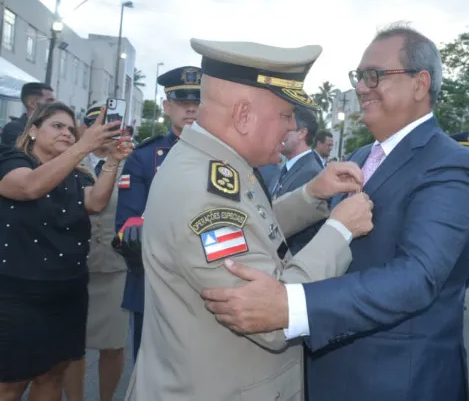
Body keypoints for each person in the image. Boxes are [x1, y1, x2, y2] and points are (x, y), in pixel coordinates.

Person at [201, 24, 469, 401]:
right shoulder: (361, 157)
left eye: (375, 76)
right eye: (360, 77)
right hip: (332, 371)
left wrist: (292, 305)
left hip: (398, 381)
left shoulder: (450, 163)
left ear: (420, 83)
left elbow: (418, 276)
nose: (362, 88)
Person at [124, 38, 374, 401]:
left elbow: (252, 230)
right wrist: (340, 230)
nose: (290, 130)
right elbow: (270, 313)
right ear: (243, 116)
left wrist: (310, 194)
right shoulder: (205, 193)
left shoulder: (217, 165)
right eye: (285, 116)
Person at [0, 102, 131, 400]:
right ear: (33, 130)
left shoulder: (76, 174)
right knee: (10, 383)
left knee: (51, 377)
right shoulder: (11, 159)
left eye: (71, 130)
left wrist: (111, 161)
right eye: (57, 126)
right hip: (18, 293)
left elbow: (95, 202)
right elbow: (28, 188)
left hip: (67, 292)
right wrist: (83, 146)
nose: (66, 133)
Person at [114, 66, 201, 362]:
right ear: (166, 107)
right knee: (149, 369)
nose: (191, 108)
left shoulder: (222, 155)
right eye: (182, 102)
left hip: (208, 287)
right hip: (154, 284)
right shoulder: (144, 157)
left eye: (198, 101)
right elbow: (128, 230)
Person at [63, 105, 129, 401]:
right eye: (97, 126)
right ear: (84, 130)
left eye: (113, 127)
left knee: (113, 344)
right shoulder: (68, 161)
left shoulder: (132, 164)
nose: (106, 133)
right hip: (73, 266)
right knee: (71, 345)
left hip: (115, 267)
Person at [271, 106, 324, 254]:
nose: (280, 133)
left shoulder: (310, 173)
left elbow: (300, 232)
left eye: (287, 129)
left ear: (302, 133)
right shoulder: (286, 168)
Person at [1, 82, 55, 146]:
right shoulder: (14, 128)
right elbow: (29, 150)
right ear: (32, 103)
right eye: (50, 100)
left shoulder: (49, 127)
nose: (54, 104)